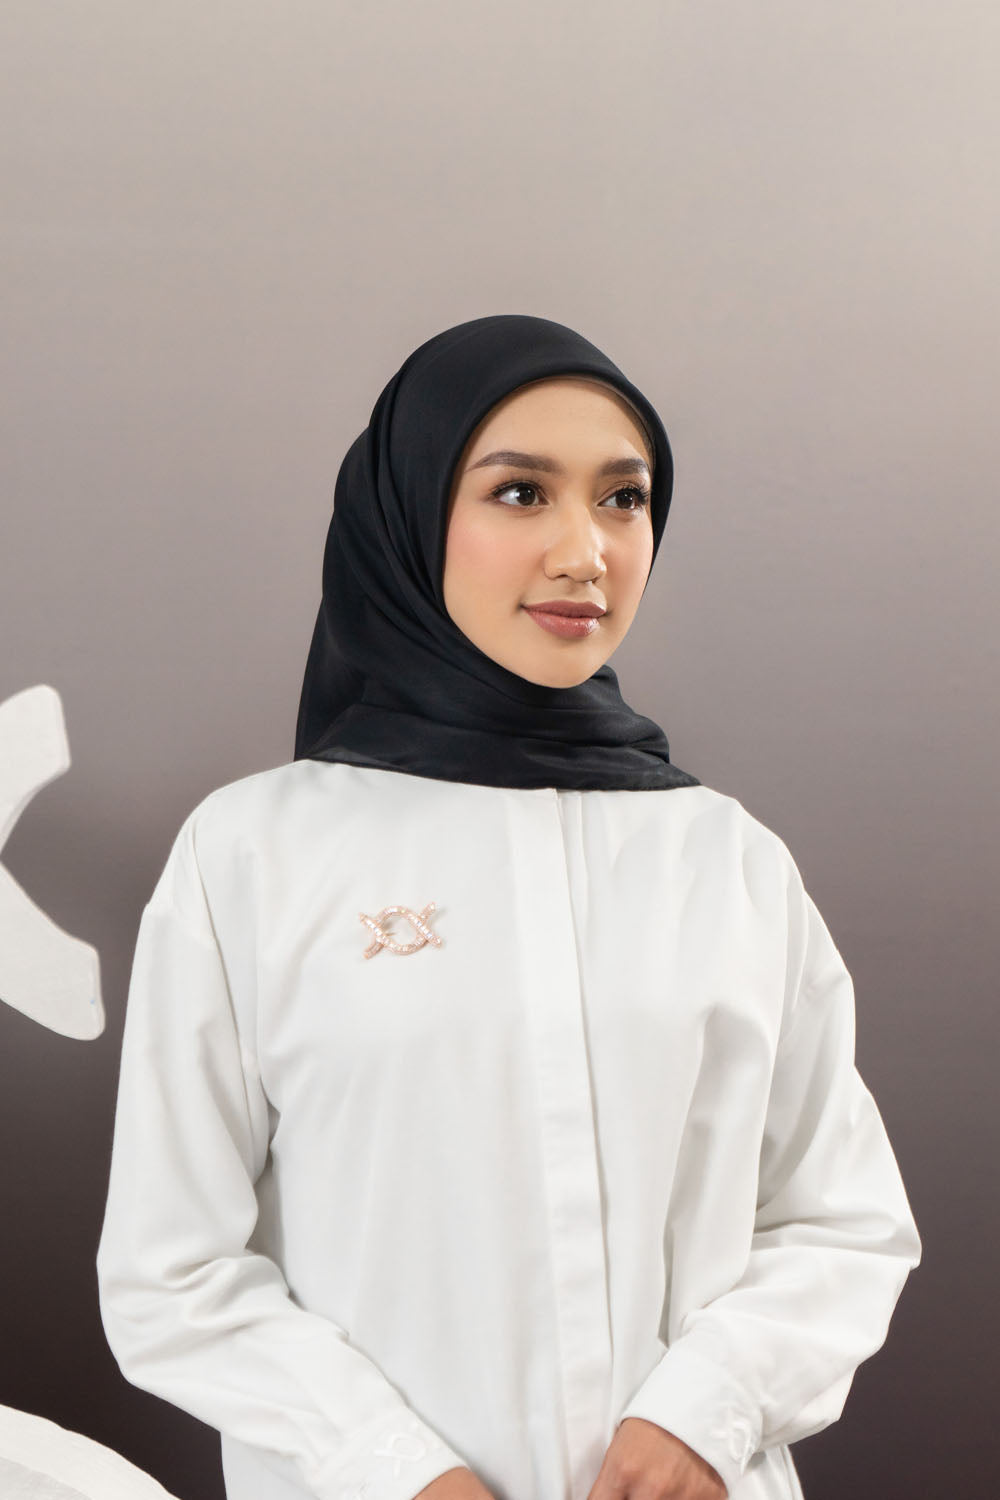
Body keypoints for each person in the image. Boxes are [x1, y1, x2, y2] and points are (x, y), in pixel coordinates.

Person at [96, 315, 921, 1500]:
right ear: (408, 511)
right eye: (521, 493)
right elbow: (172, 1274)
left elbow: (840, 1221)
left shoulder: (724, 859)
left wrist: (706, 1413)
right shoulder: (254, 856)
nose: (585, 552)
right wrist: (392, 1471)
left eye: (623, 499)